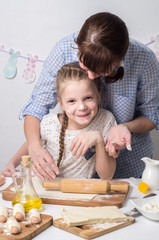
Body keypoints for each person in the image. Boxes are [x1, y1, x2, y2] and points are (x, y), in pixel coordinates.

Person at [2, 12, 159, 179]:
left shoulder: (144, 60)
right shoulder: (63, 50)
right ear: (78, 41)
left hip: (129, 164)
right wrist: (34, 147)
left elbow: (151, 116)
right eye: (85, 66)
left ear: (121, 58)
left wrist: (126, 127)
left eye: (102, 71)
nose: (91, 76)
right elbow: (36, 108)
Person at [2, 62, 116, 179]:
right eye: (72, 101)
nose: (82, 107)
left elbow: (107, 176)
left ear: (98, 95)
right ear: (61, 104)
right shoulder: (50, 124)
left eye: (88, 98)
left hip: (80, 191)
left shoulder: (106, 120)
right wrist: (12, 163)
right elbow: (31, 144)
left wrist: (99, 140)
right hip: (45, 187)